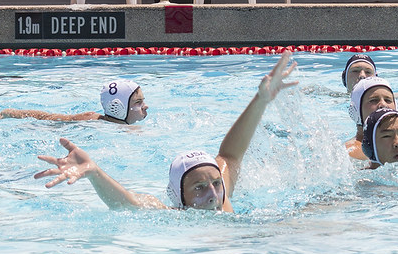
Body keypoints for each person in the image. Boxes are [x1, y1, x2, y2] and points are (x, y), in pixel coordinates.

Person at [34, 52, 297, 212]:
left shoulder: (222, 199)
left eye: (216, 184)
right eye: (200, 188)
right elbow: (127, 203)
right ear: (179, 195)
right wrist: (94, 172)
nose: (214, 196)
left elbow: (230, 155)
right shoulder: (177, 213)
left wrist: (260, 100)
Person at [0, 80, 148, 125]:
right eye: (138, 102)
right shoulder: (90, 119)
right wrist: (12, 113)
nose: (145, 106)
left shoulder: (90, 118)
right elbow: (48, 118)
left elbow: (46, 117)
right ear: (118, 107)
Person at [346, 76, 397, 160]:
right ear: (356, 111)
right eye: (373, 100)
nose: (383, 105)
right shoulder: (351, 154)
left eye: (388, 100)